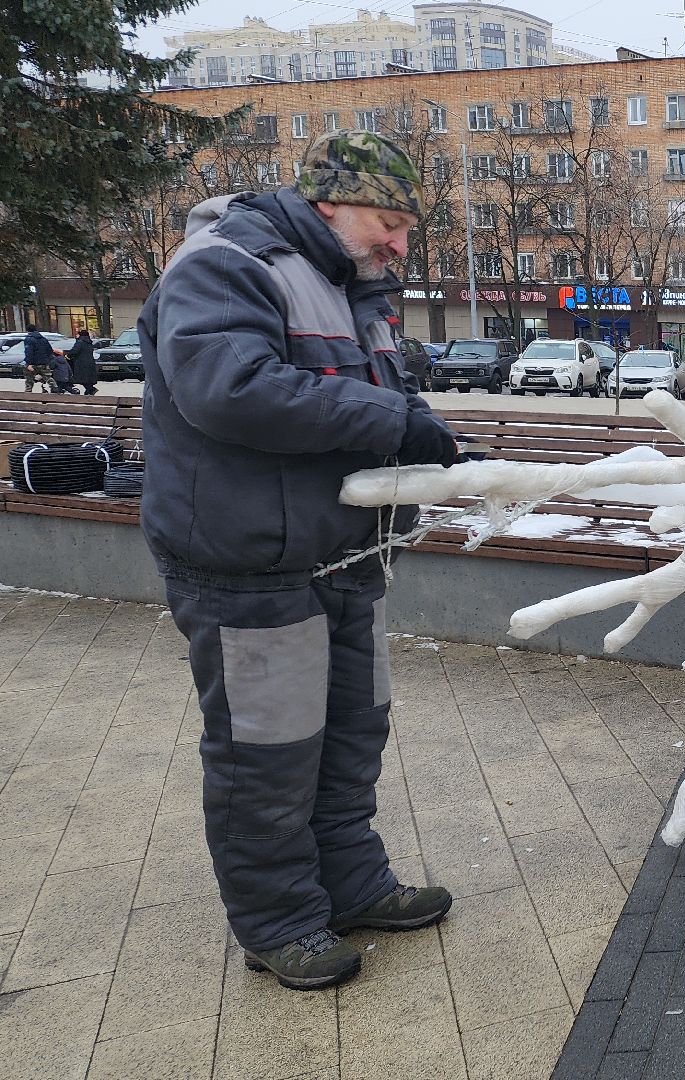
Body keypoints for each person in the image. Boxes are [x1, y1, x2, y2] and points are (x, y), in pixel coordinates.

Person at [137, 130, 461, 992]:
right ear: (329, 203)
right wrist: (388, 424)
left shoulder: (355, 284)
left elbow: (383, 392)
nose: (400, 244)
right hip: (248, 562)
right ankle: (277, 921)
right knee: (267, 754)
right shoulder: (225, 263)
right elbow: (229, 389)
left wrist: (422, 424)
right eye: (387, 222)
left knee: (353, 734)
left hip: (343, 555)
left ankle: (349, 885)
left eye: (405, 229)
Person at [21, 324, 57, 392]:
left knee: (29, 378)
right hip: (44, 362)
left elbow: (29, 352)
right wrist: (47, 360)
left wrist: (29, 363)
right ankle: (54, 388)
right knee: (47, 377)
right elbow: (50, 351)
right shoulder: (43, 339)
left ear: (28, 331)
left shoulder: (29, 339)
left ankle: (28, 392)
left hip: (34, 363)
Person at [68, 328, 98, 395]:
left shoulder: (80, 342)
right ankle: (89, 391)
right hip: (90, 362)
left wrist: (67, 354)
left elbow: (74, 351)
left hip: (81, 363)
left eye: (77, 334)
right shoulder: (89, 342)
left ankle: (90, 390)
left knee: (82, 378)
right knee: (87, 379)